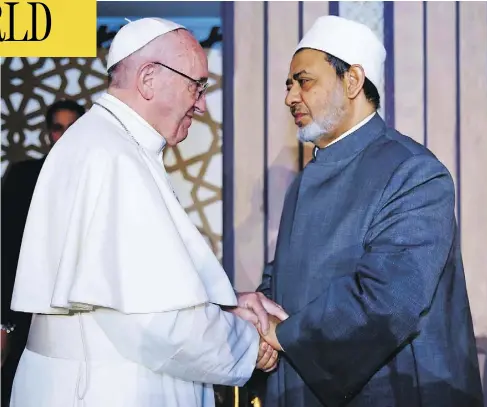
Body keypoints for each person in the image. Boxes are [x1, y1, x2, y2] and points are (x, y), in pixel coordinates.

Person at [8, 18, 285, 407]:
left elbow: (146, 289)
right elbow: (161, 324)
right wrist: (249, 342)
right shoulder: (114, 157)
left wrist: (228, 306)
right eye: (197, 86)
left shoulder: (106, 143)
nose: (202, 105)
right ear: (149, 78)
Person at [254, 16, 484, 407]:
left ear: (352, 81)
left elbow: (389, 298)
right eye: (289, 85)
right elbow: (285, 274)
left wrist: (280, 335)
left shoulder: (413, 171)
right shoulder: (306, 178)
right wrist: (258, 318)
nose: (290, 97)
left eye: (304, 81)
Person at [1, 98, 85, 405]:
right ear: (48, 133)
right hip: (27, 310)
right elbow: (6, 249)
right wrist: (3, 322)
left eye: (72, 127)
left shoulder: (99, 177)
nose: (64, 135)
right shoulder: (24, 176)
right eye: (58, 128)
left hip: (84, 313)